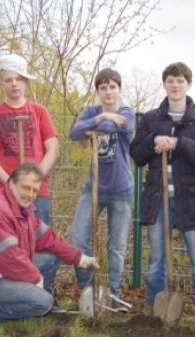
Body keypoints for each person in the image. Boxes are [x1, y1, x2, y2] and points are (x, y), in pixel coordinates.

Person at [129, 62, 195, 325]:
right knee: (157, 258)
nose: (175, 85)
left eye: (180, 81)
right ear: (165, 84)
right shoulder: (151, 119)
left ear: (188, 84)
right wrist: (152, 140)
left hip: (192, 201)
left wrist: (179, 144)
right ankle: (154, 306)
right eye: (170, 80)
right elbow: (137, 155)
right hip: (159, 200)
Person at [0, 163, 100, 320]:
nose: (30, 194)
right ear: (11, 184)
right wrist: (36, 279)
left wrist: (81, 259)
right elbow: (11, 259)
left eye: (34, 190)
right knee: (43, 302)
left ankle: (31, 300)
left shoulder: (22, 210)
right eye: (25, 187)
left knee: (53, 257)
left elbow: (49, 238)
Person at [68, 68, 134, 311]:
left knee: (116, 246)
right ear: (97, 91)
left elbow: (121, 127)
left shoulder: (127, 113)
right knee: (77, 238)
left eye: (112, 87)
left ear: (119, 89)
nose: (108, 92)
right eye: (103, 87)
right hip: (92, 187)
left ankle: (112, 295)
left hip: (121, 190)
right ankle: (89, 291)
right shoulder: (92, 112)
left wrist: (94, 128)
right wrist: (98, 120)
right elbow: (73, 132)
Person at [0, 54, 58, 225]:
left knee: (40, 245)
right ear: (1, 83)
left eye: (19, 79)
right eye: (8, 80)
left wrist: (35, 179)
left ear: (26, 82)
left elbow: (53, 149)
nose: (14, 84)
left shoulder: (39, 112)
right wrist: (10, 183)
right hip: (3, 190)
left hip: (36, 191)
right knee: (4, 244)